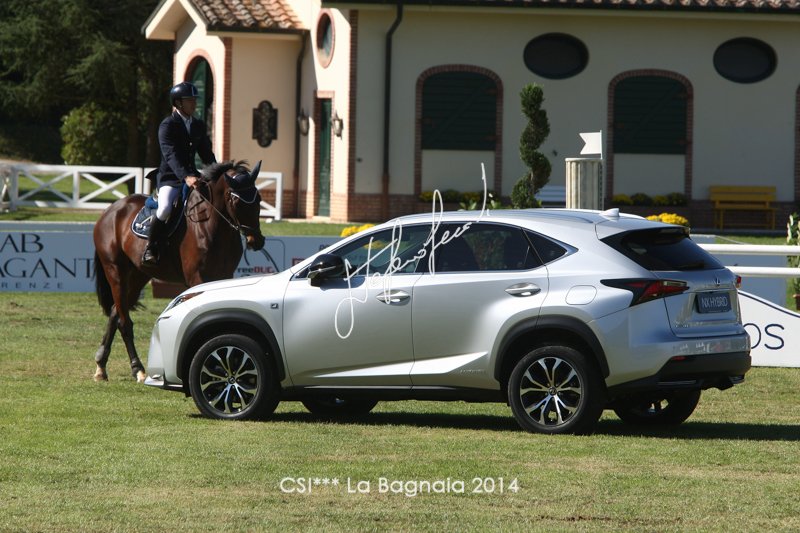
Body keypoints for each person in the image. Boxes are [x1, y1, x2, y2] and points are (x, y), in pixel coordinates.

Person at [142, 81, 217, 266]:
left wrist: (217, 172)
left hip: (193, 176)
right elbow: (170, 155)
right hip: (170, 178)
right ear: (178, 103)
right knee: (165, 208)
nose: (194, 103)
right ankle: (151, 247)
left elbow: (206, 153)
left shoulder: (197, 125)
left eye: (194, 100)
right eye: (190, 100)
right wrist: (186, 176)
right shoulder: (167, 125)